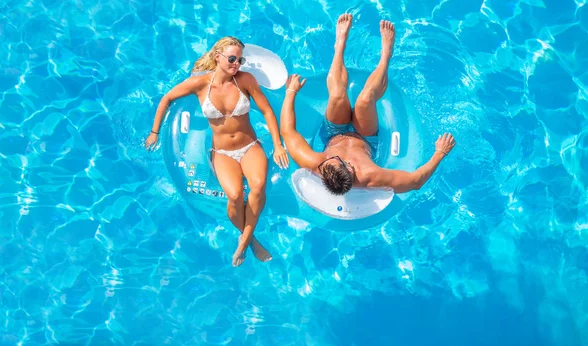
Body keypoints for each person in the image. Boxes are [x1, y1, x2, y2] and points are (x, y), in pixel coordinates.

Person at [145, 36, 289, 266]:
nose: (236, 64)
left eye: (240, 60)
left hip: (249, 146)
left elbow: (268, 112)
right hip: (222, 152)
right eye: (232, 59)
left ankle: (243, 244)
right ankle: (252, 241)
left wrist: (279, 144)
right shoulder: (201, 85)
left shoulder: (245, 80)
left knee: (258, 186)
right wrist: (155, 132)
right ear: (217, 57)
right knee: (234, 197)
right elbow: (167, 98)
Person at [280, 14, 456, 195]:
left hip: (333, 132)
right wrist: (440, 153)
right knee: (365, 99)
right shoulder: (369, 175)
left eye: (333, 159)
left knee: (338, 96)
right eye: (340, 160)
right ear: (350, 169)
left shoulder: (315, 162)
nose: (339, 157)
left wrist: (290, 93)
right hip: (365, 138)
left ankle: (339, 45)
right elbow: (415, 182)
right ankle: (386, 55)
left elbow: (287, 131)